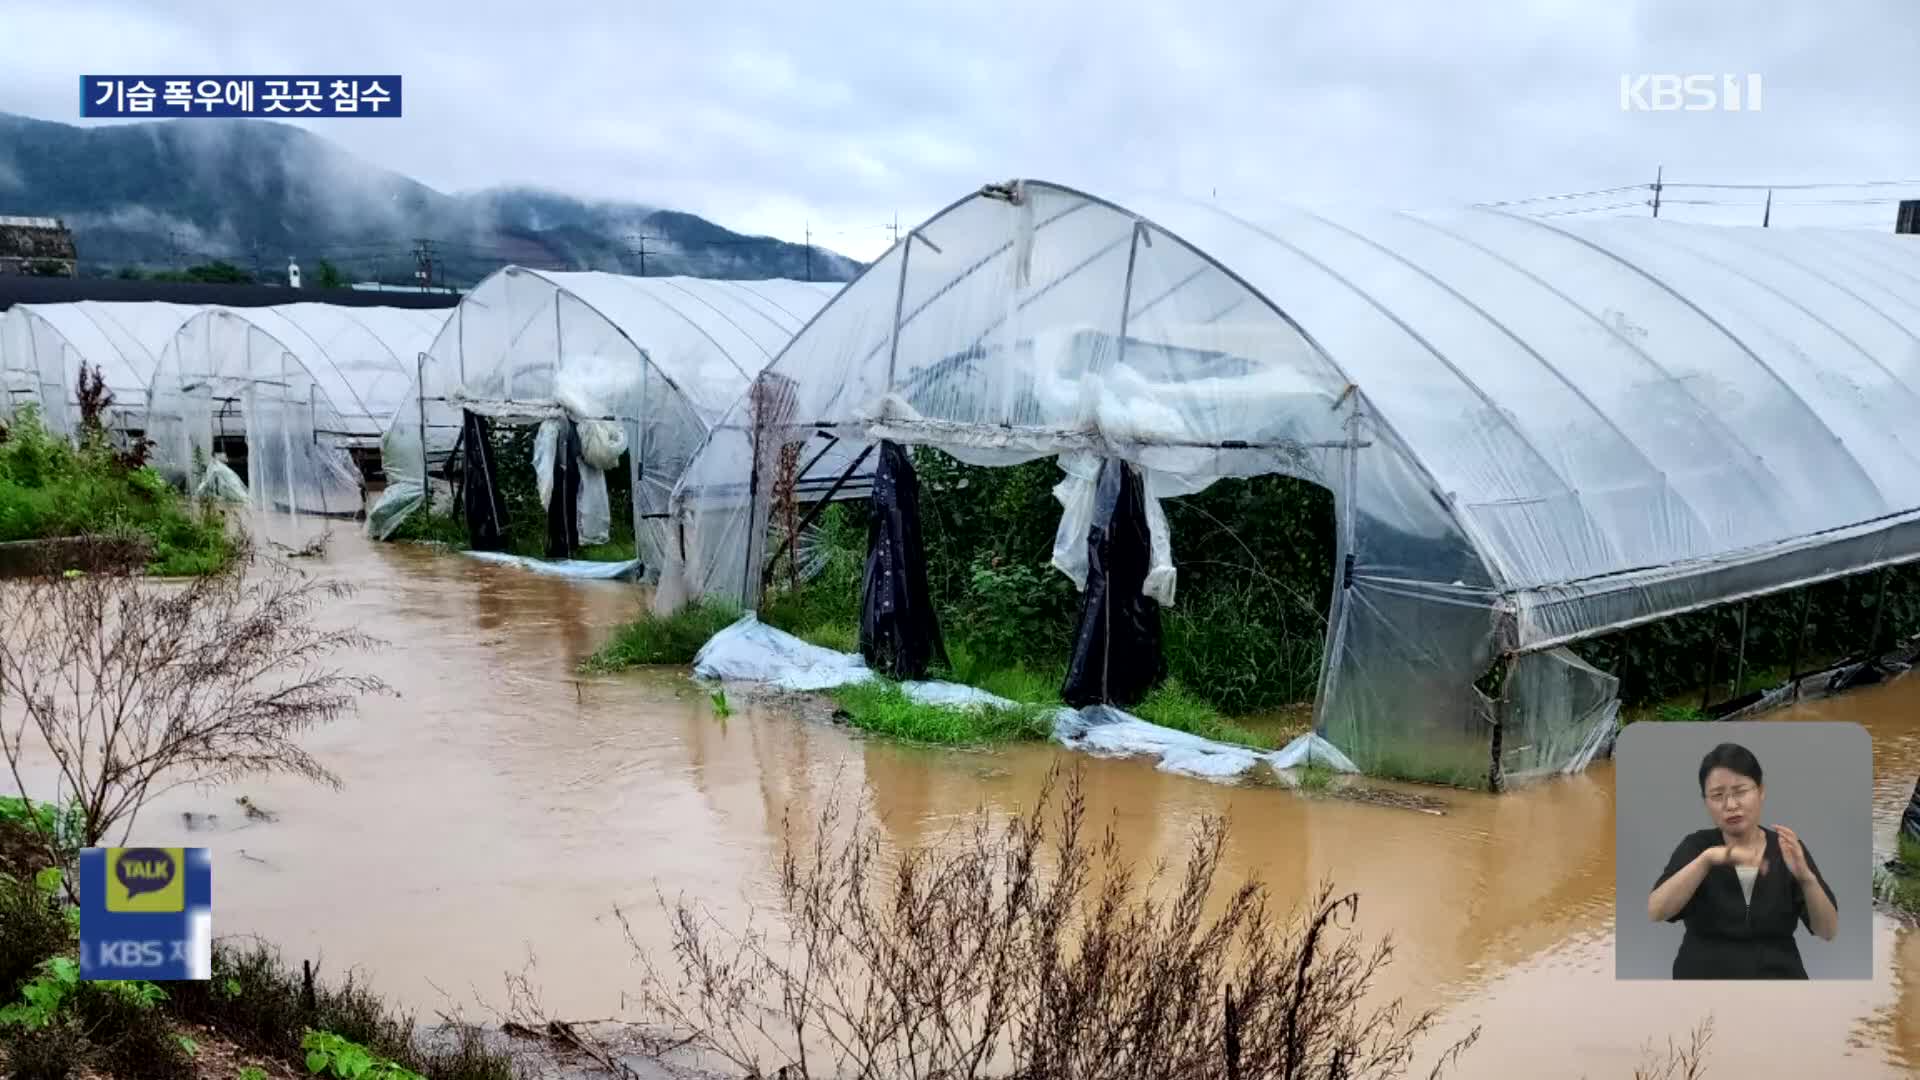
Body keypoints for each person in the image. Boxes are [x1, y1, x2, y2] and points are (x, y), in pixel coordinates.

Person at [1646, 742, 1840, 979]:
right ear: (1706, 801)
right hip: (1702, 987)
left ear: (1761, 791)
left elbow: (1828, 931)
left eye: (1740, 792)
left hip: (1778, 984)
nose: (1730, 805)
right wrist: (1708, 859)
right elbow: (1656, 911)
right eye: (1718, 796)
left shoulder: (1786, 848)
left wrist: (1807, 879)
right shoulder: (1697, 847)